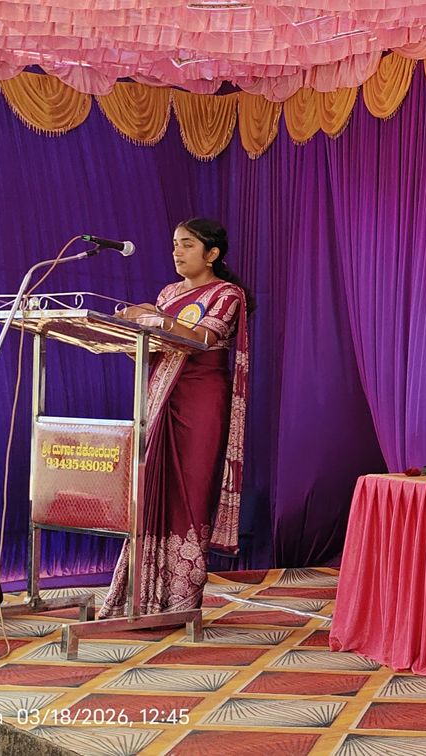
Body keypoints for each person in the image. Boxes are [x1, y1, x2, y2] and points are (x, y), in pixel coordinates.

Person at [106, 218, 252, 616]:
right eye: (174, 244)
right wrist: (132, 327)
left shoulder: (227, 294)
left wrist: (156, 319)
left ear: (212, 253)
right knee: (152, 488)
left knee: (191, 489)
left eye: (187, 244)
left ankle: (182, 597)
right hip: (160, 395)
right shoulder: (168, 294)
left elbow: (204, 338)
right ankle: (141, 594)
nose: (177, 252)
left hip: (201, 399)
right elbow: (155, 344)